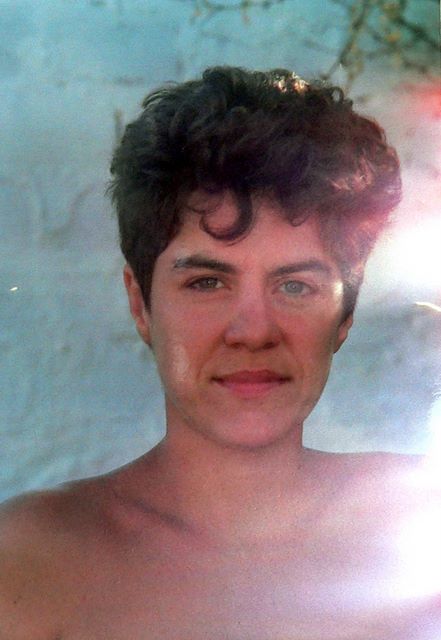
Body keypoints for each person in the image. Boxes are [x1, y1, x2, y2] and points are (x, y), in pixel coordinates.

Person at [0, 66, 439, 639]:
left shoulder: (425, 533)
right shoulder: (28, 563)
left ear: (345, 314)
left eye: (295, 286)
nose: (253, 331)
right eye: (207, 282)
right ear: (140, 304)